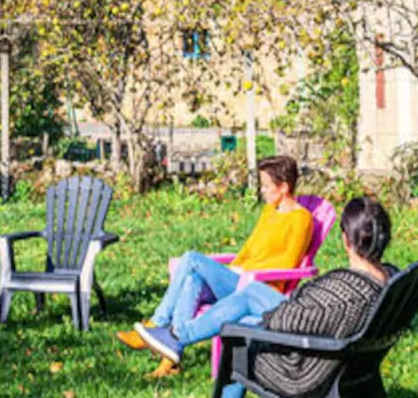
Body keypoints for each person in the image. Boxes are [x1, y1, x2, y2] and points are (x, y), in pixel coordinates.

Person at [194, 195, 396, 398]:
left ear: (346, 240)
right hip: (353, 362)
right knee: (253, 294)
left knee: (241, 326)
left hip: (307, 370)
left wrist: (266, 317)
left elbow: (285, 320)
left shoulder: (343, 291)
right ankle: (179, 338)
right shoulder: (390, 279)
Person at [124, 155, 313, 371]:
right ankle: (170, 358)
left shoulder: (301, 219)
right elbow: (251, 247)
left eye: (267, 186)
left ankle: (157, 324)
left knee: (192, 259)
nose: (262, 191)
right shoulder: (270, 211)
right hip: (238, 276)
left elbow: (287, 263)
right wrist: (235, 267)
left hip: (258, 287)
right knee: (191, 281)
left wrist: (246, 271)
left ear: (284, 187)